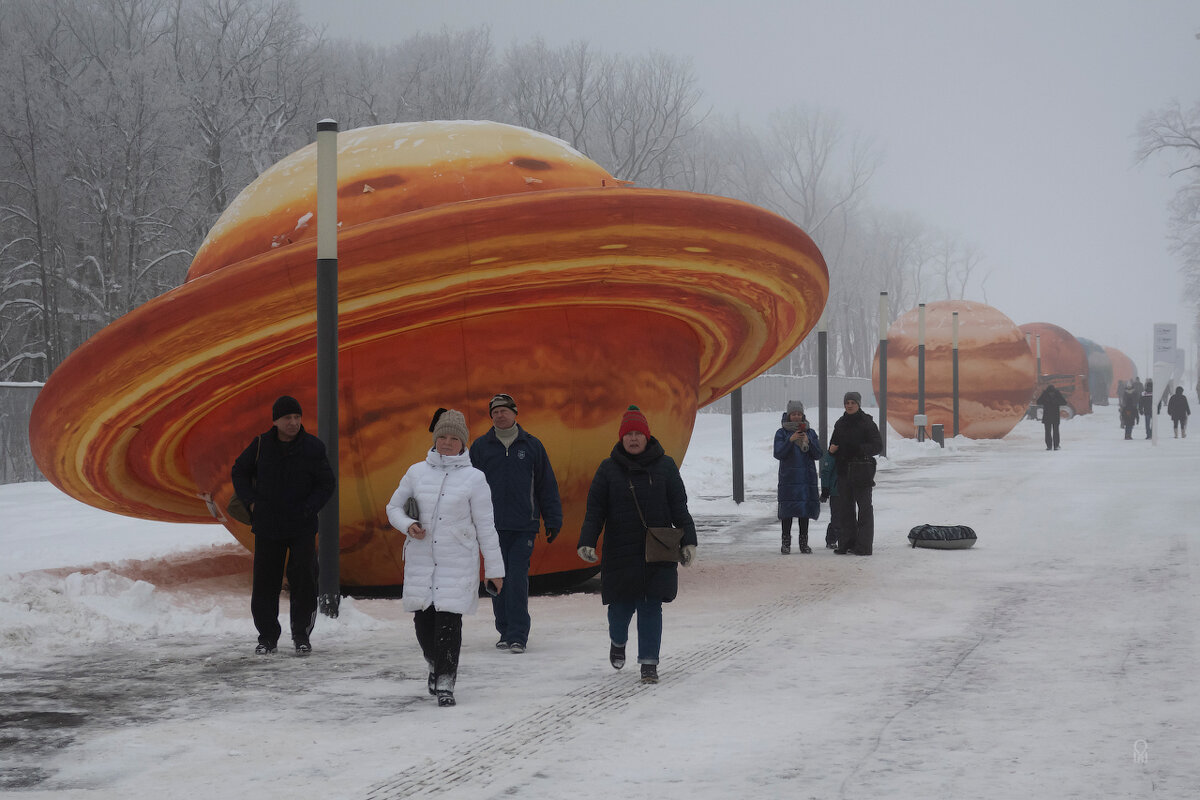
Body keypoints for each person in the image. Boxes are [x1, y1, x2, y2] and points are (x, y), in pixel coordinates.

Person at [386, 409, 504, 707]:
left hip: (457, 562)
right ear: (435, 439)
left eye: (454, 438)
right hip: (421, 561)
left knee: (449, 624)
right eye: (442, 437)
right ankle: (433, 664)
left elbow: (486, 527)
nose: (447, 443)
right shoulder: (416, 472)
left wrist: (495, 569)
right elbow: (393, 508)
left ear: (463, 443)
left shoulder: (475, 479)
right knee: (424, 624)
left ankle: (446, 683)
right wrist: (408, 526)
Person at [577, 405, 698, 684]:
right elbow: (595, 510)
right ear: (621, 438)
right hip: (620, 551)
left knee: (650, 606)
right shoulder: (608, 469)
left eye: (638, 433)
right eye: (628, 434)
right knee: (619, 609)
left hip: (656, 550)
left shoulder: (666, 466)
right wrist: (587, 541)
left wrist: (689, 541)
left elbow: (679, 506)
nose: (633, 438)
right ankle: (618, 641)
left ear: (647, 436)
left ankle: (649, 663)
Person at [231, 395, 335, 655]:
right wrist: (252, 502)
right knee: (266, 582)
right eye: (288, 418)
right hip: (268, 525)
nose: (293, 422)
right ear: (276, 421)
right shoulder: (260, 445)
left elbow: (326, 483)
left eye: (297, 417)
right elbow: (239, 471)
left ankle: (302, 635)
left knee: (304, 581)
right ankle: (267, 637)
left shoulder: (313, 447)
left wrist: (310, 507)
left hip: (302, 525)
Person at [469, 393, 563, 654]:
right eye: (495, 412)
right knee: (497, 579)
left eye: (504, 410)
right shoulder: (480, 447)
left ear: (515, 413)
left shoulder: (532, 446)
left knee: (517, 579)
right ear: (491, 417)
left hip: (524, 525)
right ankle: (504, 631)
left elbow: (547, 486)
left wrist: (553, 519)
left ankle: (518, 634)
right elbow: (466, 487)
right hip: (491, 527)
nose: (500, 415)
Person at [828, 392, 882, 556]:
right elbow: (833, 444)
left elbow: (878, 446)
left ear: (858, 404)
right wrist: (832, 450)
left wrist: (860, 449)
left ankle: (864, 546)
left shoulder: (867, 422)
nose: (849, 405)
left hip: (862, 471)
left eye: (852, 402)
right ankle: (846, 543)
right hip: (844, 471)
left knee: (864, 509)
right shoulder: (840, 423)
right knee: (845, 509)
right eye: (847, 403)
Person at [774, 400, 822, 554]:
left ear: (803, 415)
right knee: (787, 511)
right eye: (793, 414)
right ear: (788, 415)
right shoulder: (781, 433)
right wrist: (790, 440)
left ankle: (804, 543)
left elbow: (818, 454)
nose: (796, 417)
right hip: (789, 478)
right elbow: (778, 453)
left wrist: (809, 442)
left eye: (799, 414)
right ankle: (785, 543)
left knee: (804, 511)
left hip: (806, 478)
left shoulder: (811, 432)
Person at [819, 450, 841, 549]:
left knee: (847, 516)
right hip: (836, 491)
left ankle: (843, 539)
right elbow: (825, 471)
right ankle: (831, 539)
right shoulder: (834, 451)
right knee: (837, 517)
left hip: (847, 489)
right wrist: (825, 489)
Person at [1036, 383, 1068, 451]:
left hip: (1047, 416)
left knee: (1047, 432)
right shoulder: (1057, 394)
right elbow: (1064, 402)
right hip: (1055, 415)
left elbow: (1038, 402)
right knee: (1056, 431)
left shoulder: (1045, 394)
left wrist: (1046, 401)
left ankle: (1049, 446)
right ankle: (1056, 446)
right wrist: (1055, 402)